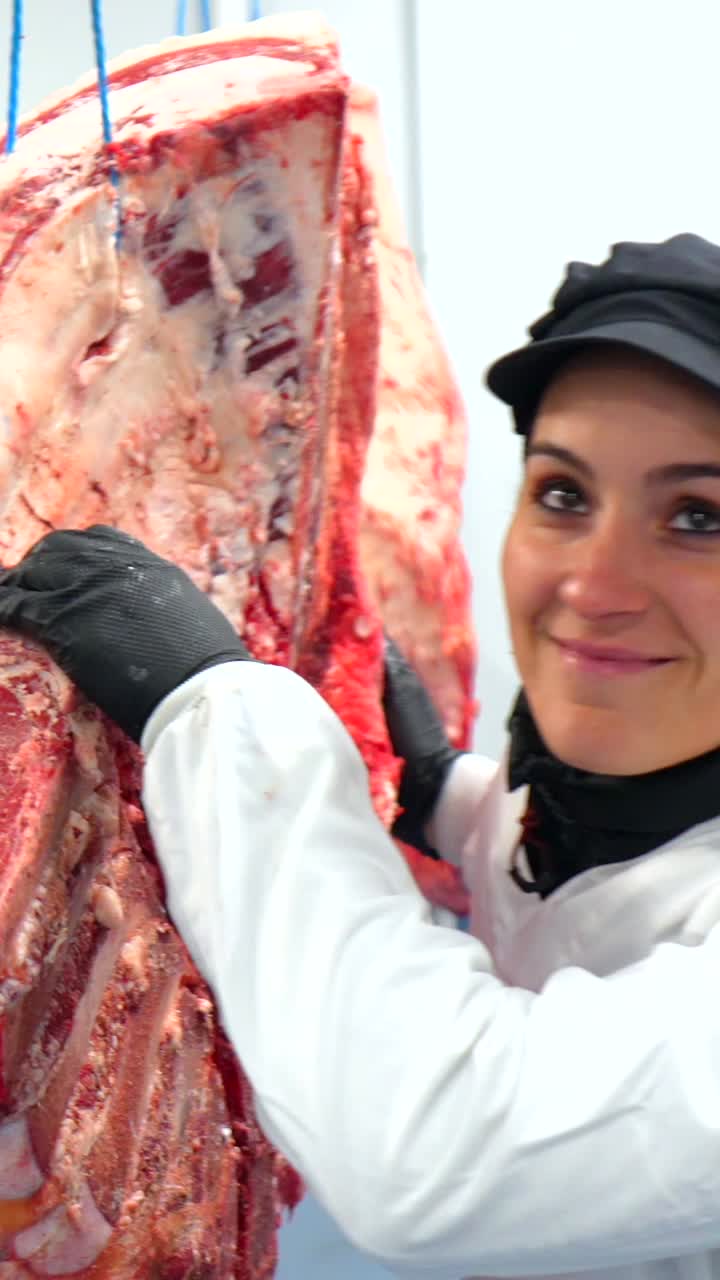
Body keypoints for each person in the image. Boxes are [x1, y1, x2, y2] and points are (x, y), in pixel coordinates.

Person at [6, 232, 720, 1280]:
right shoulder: (620, 818)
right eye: (563, 493)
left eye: (699, 515)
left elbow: (432, 1150)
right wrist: (442, 796)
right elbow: (604, 904)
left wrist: (215, 706)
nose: (593, 584)